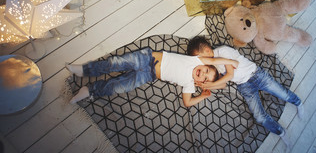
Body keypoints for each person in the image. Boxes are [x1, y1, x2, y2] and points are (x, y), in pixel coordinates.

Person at [187, 36, 304, 150]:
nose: (200, 63)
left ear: (207, 51)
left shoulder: (222, 51)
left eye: (200, 59)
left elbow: (230, 74)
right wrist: (206, 86)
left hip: (256, 75)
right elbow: (223, 84)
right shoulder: (213, 66)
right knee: (259, 116)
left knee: (282, 93)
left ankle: (297, 102)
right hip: (244, 85)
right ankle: (281, 132)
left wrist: (211, 85)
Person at [66, 47, 239, 107]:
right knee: (115, 63)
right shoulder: (195, 61)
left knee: (119, 86)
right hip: (146, 58)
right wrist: (230, 61)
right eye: (207, 70)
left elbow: (187, 102)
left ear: (199, 82)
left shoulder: (189, 84)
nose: (204, 74)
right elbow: (215, 59)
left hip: (148, 75)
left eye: (205, 79)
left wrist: (202, 95)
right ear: (204, 64)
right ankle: (85, 70)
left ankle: (90, 91)